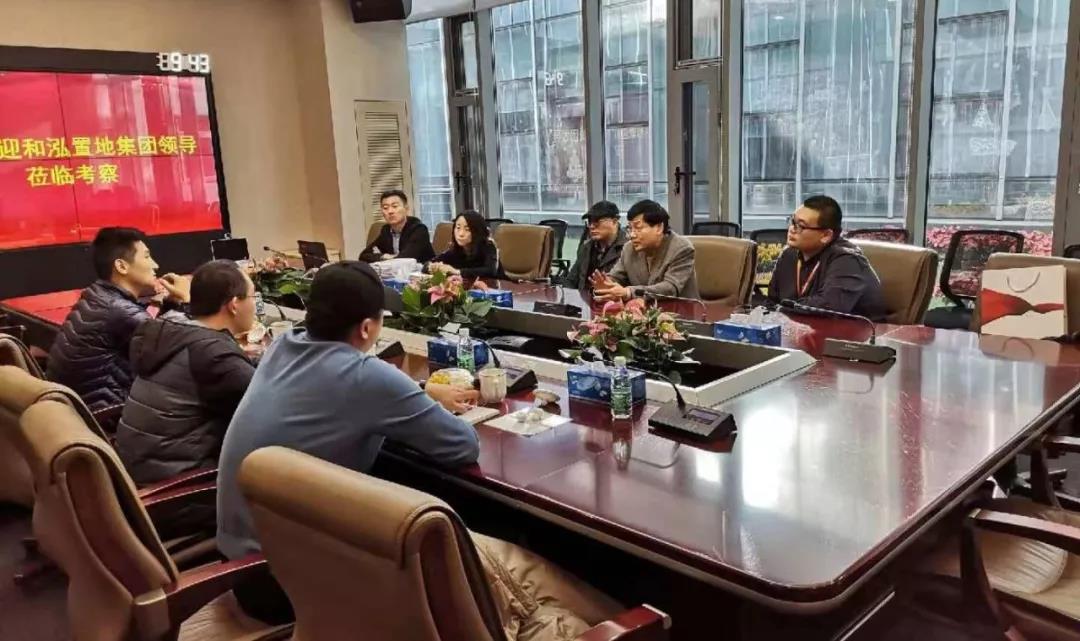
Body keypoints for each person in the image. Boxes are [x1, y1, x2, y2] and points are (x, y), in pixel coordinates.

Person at [216, 260, 481, 624]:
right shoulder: (364, 376)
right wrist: (408, 396)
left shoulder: (283, 346)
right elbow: (463, 445)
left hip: (241, 568)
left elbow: (338, 389)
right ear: (368, 327)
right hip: (288, 587)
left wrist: (419, 391)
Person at [115, 260, 258, 487]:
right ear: (234, 304)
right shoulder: (214, 355)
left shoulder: (170, 329)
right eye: (253, 297)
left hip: (137, 474)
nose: (255, 304)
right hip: (181, 490)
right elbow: (268, 408)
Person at [47, 227, 190, 415]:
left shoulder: (98, 296)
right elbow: (182, 349)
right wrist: (187, 300)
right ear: (122, 266)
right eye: (147, 257)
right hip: (107, 417)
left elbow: (157, 334)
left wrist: (171, 303)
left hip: (74, 414)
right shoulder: (119, 310)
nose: (155, 265)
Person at [767, 195, 887, 321]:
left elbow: (828, 307)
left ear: (826, 235)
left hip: (856, 331)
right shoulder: (788, 255)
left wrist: (781, 309)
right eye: (792, 222)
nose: (792, 229)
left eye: (801, 226)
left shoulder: (847, 260)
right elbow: (771, 301)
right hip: (801, 328)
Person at [592, 199, 699, 301]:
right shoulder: (629, 248)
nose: (631, 235)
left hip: (680, 310)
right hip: (641, 310)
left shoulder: (681, 249)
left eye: (638, 228)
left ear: (659, 227)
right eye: (630, 228)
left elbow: (670, 288)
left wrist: (628, 292)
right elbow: (616, 276)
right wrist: (605, 285)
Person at [562, 200, 627, 291]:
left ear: (614, 221)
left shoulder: (628, 248)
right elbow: (571, 281)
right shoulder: (587, 247)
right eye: (589, 222)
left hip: (612, 298)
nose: (592, 226)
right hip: (583, 298)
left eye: (597, 221)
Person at [359, 189, 435, 263]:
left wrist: (393, 258)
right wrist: (384, 256)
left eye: (395, 206)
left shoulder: (419, 230)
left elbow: (405, 259)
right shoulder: (386, 230)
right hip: (393, 270)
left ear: (406, 208)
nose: (390, 211)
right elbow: (364, 256)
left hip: (421, 270)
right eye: (385, 208)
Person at [427, 210, 500, 279]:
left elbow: (490, 271)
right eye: (458, 228)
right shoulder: (455, 249)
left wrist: (457, 272)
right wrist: (433, 267)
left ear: (477, 231)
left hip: (494, 286)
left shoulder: (488, 246)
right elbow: (428, 264)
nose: (461, 234)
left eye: (467, 229)